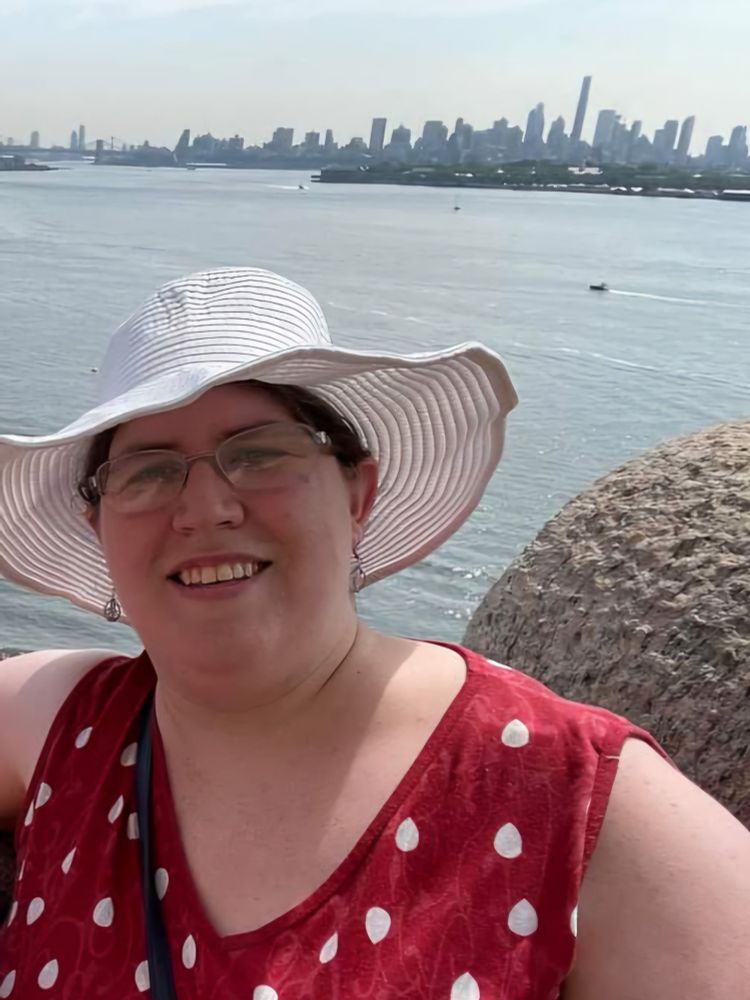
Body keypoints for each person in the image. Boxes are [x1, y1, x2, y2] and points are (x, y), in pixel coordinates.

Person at [0, 267, 747, 1000]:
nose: (205, 508)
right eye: (148, 471)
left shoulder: (586, 808)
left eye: (259, 453)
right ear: (98, 526)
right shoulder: (65, 722)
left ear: (358, 492)